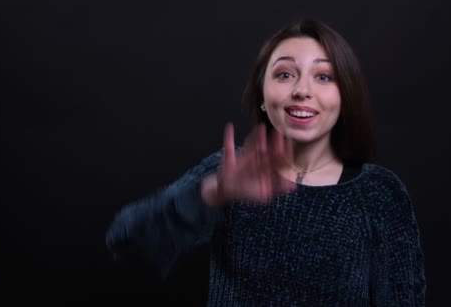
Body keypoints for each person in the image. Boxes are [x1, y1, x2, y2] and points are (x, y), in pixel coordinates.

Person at [105, 19, 426, 306]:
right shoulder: (229, 171)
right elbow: (125, 239)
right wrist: (212, 194)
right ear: (262, 93)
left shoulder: (379, 194)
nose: (302, 90)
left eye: (324, 76)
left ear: (345, 96)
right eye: (285, 74)